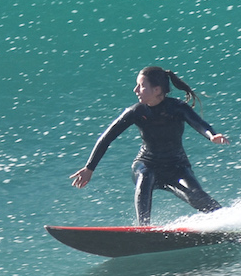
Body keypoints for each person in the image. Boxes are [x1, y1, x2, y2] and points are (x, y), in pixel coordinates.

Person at [70, 66, 230, 223]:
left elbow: (199, 123)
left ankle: (229, 224)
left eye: (141, 86)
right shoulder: (136, 111)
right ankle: (144, 228)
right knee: (146, 176)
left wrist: (212, 136)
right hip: (147, 164)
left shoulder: (177, 108)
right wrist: (89, 168)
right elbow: (107, 137)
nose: (135, 90)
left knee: (197, 197)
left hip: (177, 167)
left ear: (157, 90)